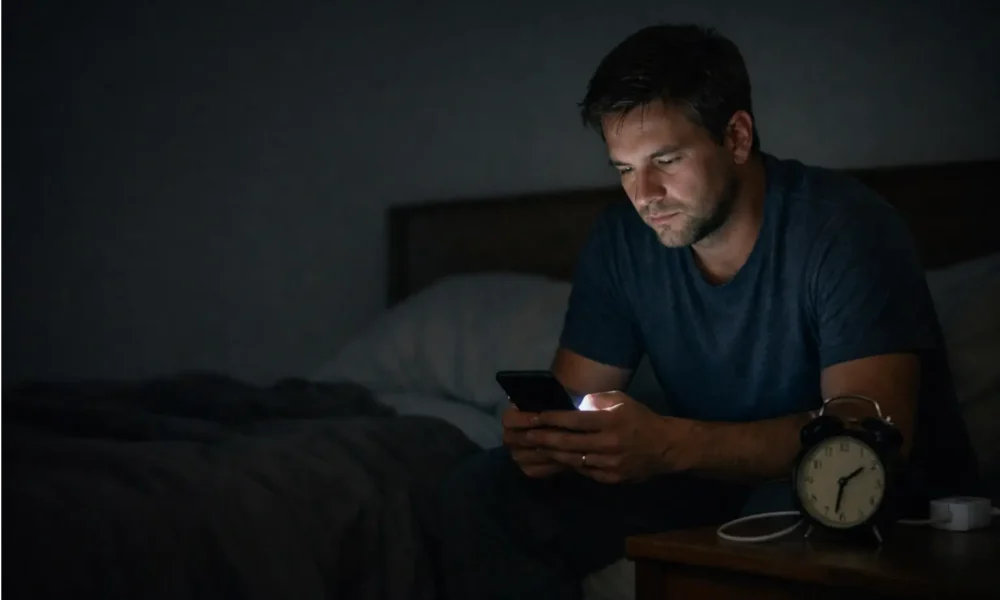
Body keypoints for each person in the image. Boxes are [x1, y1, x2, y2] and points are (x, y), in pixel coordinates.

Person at [433, 23, 980, 600]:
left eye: (665, 160)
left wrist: (668, 444)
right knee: (483, 492)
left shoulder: (845, 228)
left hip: (855, 487)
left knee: (796, 521)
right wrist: (550, 439)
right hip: (706, 478)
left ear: (737, 137)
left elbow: (865, 440)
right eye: (624, 169)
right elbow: (575, 400)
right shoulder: (622, 240)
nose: (644, 194)